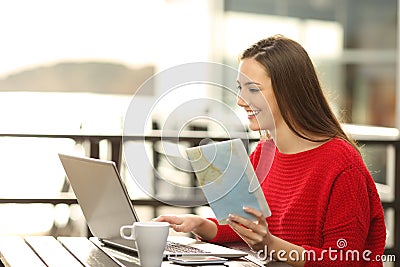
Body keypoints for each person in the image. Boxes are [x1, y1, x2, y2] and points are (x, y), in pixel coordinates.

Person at [155, 35, 386, 266]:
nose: (240, 101)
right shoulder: (264, 152)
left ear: (289, 92)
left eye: (253, 89)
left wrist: (270, 246)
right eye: (240, 88)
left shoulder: (342, 164)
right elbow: (248, 229)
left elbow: (346, 259)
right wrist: (199, 224)